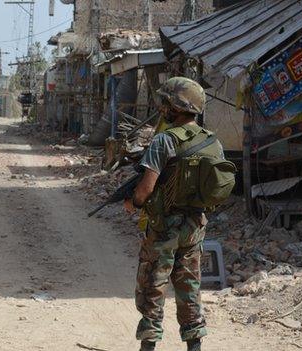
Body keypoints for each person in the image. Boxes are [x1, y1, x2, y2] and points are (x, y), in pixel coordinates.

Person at [124, 77, 224, 351]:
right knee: (189, 287)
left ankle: (149, 346)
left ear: (176, 106)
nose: (163, 108)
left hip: (163, 229)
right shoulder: (212, 141)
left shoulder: (164, 141)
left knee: (153, 287)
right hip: (194, 228)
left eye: (166, 103)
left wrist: (134, 203)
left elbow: (146, 188)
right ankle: (194, 346)